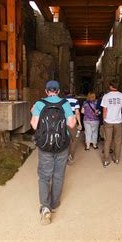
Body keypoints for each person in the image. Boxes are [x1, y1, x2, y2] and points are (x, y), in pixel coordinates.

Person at [30, 80, 76, 225]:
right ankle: (54, 203)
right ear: (58, 91)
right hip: (61, 145)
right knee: (58, 175)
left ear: (46, 91)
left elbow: (34, 125)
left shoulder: (39, 104)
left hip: (45, 147)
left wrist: (33, 112)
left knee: (44, 176)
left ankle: (45, 207)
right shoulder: (65, 104)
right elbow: (72, 124)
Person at [100, 80, 122, 167]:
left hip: (108, 121)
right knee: (118, 141)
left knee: (107, 141)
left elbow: (104, 110)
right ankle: (116, 159)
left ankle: (106, 161)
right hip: (118, 122)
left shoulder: (106, 96)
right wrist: (121, 119)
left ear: (111, 86)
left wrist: (104, 120)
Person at [64, 89, 82, 165]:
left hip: (63, 122)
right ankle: (71, 156)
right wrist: (80, 123)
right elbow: (77, 112)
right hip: (72, 122)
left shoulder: (61, 101)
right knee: (74, 139)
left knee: (64, 138)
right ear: (71, 93)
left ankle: (63, 157)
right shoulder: (75, 101)